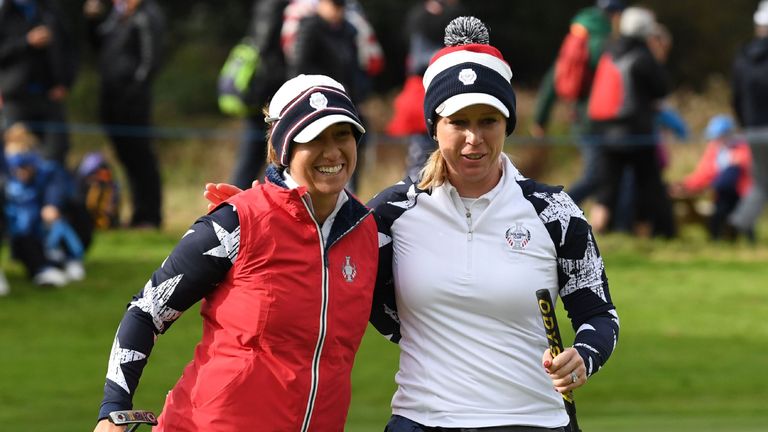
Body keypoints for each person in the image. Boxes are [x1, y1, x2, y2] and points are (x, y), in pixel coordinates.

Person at [207, 17, 620, 431]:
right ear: (434, 127)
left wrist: (583, 355)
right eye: (458, 123)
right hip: (423, 419)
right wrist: (256, 211)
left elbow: (600, 315)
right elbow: (316, 250)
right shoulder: (390, 213)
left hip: (536, 420)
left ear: (507, 124)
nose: (474, 138)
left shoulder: (555, 212)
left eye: (488, 121)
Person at [93, 74, 378, 431]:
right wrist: (113, 410)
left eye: (343, 134)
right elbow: (146, 311)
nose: (333, 151)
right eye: (314, 138)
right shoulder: (237, 222)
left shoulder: (365, 230)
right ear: (284, 147)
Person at [586, 6, 671, 237]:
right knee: (647, 185)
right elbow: (661, 89)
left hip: (605, 132)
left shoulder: (608, 50)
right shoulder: (643, 56)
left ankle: (593, 238)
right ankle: (643, 236)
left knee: (606, 190)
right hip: (636, 133)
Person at [84, 0, 165, 228]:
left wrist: (134, 92)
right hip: (112, 99)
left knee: (141, 158)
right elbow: (99, 46)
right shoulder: (116, 16)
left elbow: (151, 60)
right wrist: (91, 22)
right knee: (127, 158)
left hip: (133, 101)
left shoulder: (147, 15)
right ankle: (138, 214)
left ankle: (149, 216)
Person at [530, 0, 624, 195]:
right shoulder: (605, 42)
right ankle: (560, 212)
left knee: (604, 174)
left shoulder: (577, 39)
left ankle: (603, 222)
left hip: (580, 117)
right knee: (597, 175)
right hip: (600, 120)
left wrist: (540, 119)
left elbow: (552, 80)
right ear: (615, 16)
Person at [386, 0, 465, 181]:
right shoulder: (422, 16)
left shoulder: (425, 15)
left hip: (435, 89)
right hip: (425, 91)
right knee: (422, 156)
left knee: (428, 156)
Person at [3, 123, 87, 287]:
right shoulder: (10, 184)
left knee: (63, 217)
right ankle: (43, 268)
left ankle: (70, 260)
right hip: (24, 235)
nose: (19, 172)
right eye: (15, 167)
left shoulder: (49, 171)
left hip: (50, 225)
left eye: (23, 167)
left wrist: (51, 205)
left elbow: (57, 188)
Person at [0, 0, 77, 163]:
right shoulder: (4, 13)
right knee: (17, 158)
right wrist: (26, 42)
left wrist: (66, 82)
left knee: (55, 155)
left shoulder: (50, 10)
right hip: (16, 99)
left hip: (49, 96)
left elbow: (70, 48)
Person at [228, 0, 290, 190]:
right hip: (267, 91)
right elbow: (264, 46)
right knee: (254, 153)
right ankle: (233, 204)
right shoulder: (274, 4)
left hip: (267, 88)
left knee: (256, 154)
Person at [671, 115, 753, 240]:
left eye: (720, 136)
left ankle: (750, 243)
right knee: (718, 217)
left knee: (744, 218)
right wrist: (686, 185)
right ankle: (718, 241)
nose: (717, 140)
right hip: (722, 194)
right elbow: (704, 173)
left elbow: (747, 170)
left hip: (741, 193)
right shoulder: (714, 150)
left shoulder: (744, 148)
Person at [728, 1, 768, 241]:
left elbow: (736, 96)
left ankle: (738, 221)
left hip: (752, 129)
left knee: (762, 182)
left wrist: (745, 122)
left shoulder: (743, 56)